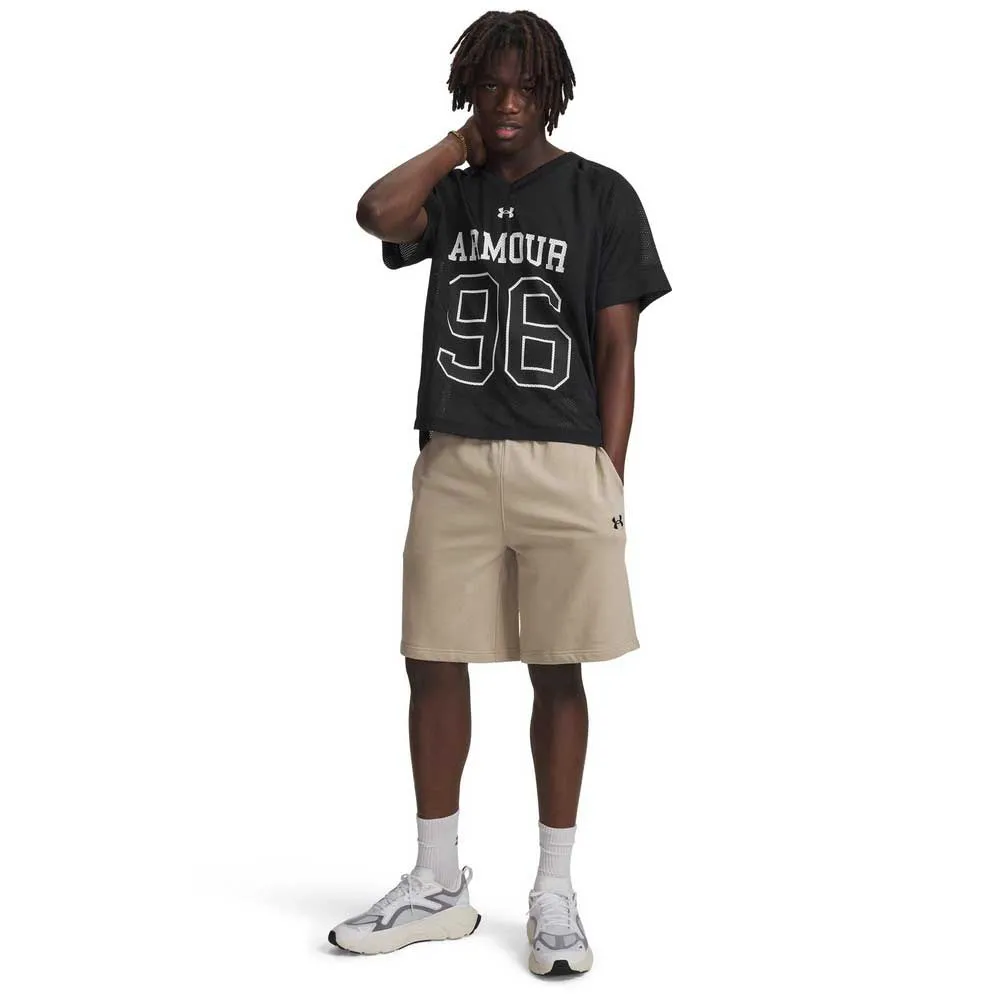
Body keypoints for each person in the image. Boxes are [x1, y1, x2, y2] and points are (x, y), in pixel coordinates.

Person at [329, 9, 671, 976]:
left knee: (558, 669)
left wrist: (609, 472)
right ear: (469, 92)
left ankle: (554, 890)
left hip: (566, 463)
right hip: (457, 454)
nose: (508, 102)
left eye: (525, 86)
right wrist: (456, 144)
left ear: (553, 92)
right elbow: (375, 213)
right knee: (432, 657)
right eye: (491, 86)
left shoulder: (602, 194)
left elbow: (618, 345)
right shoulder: (455, 190)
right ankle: (438, 882)